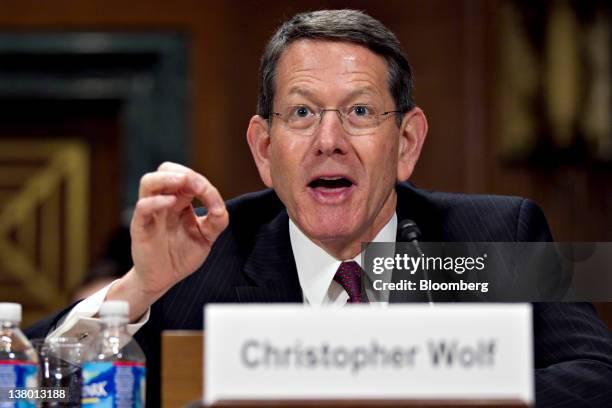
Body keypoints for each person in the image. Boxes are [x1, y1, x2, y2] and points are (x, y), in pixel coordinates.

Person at [26, 9, 611, 407]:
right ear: (263, 149)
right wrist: (137, 289)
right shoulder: (203, 259)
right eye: (302, 113)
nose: (328, 140)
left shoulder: (495, 236)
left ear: (406, 143)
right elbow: (26, 392)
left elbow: (599, 377)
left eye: (359, 112)